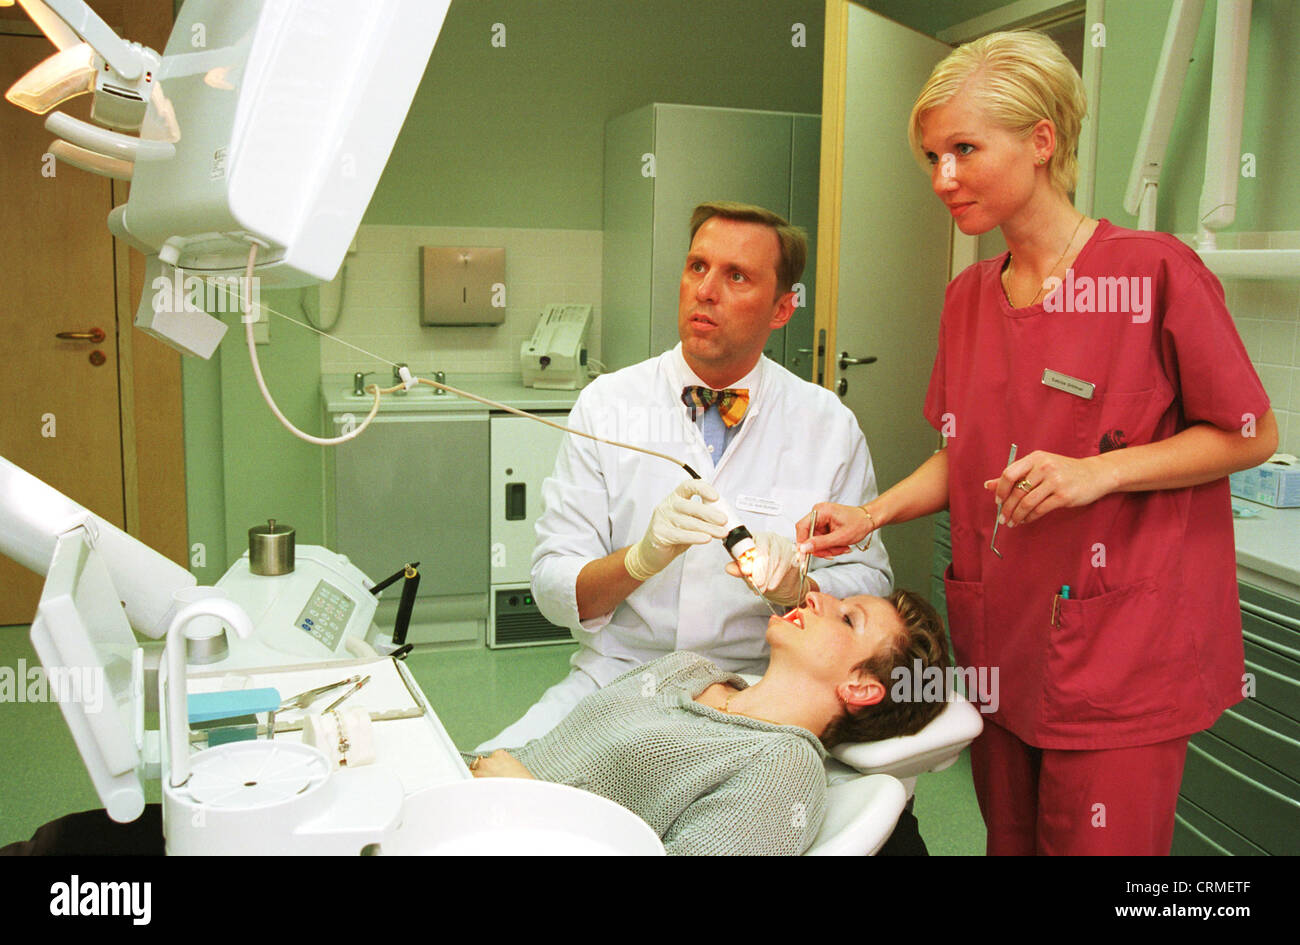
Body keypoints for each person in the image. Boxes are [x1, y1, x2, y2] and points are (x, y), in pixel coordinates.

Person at [799, 31, 1277, 856]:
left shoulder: (1154, 272)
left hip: (1119, 652)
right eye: (932, 156)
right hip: (1003, 644)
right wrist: (871, 513)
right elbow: (966, 451)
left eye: (964, 149)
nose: (943, 177)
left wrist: (1099, 473)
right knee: (1008, 842)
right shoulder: (969, 297)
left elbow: (1250, 432)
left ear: (1042, 142)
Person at [477, 202, 891, 752]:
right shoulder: (609, 405)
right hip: (618, 677)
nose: (706, 290)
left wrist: (798, 588)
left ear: (782, 309)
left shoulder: (828, 425)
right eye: (697, 267)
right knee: (489, 787)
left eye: (736, 276)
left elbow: (872, 582)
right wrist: (638, 560)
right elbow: (554, 588)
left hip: (758, 691)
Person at [467, 588, 949, 855]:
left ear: (860, 687)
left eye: (848, 619)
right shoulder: (686, 669)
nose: (820, 598)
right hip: (471, 810)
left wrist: (533, 805)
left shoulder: (781, 770)